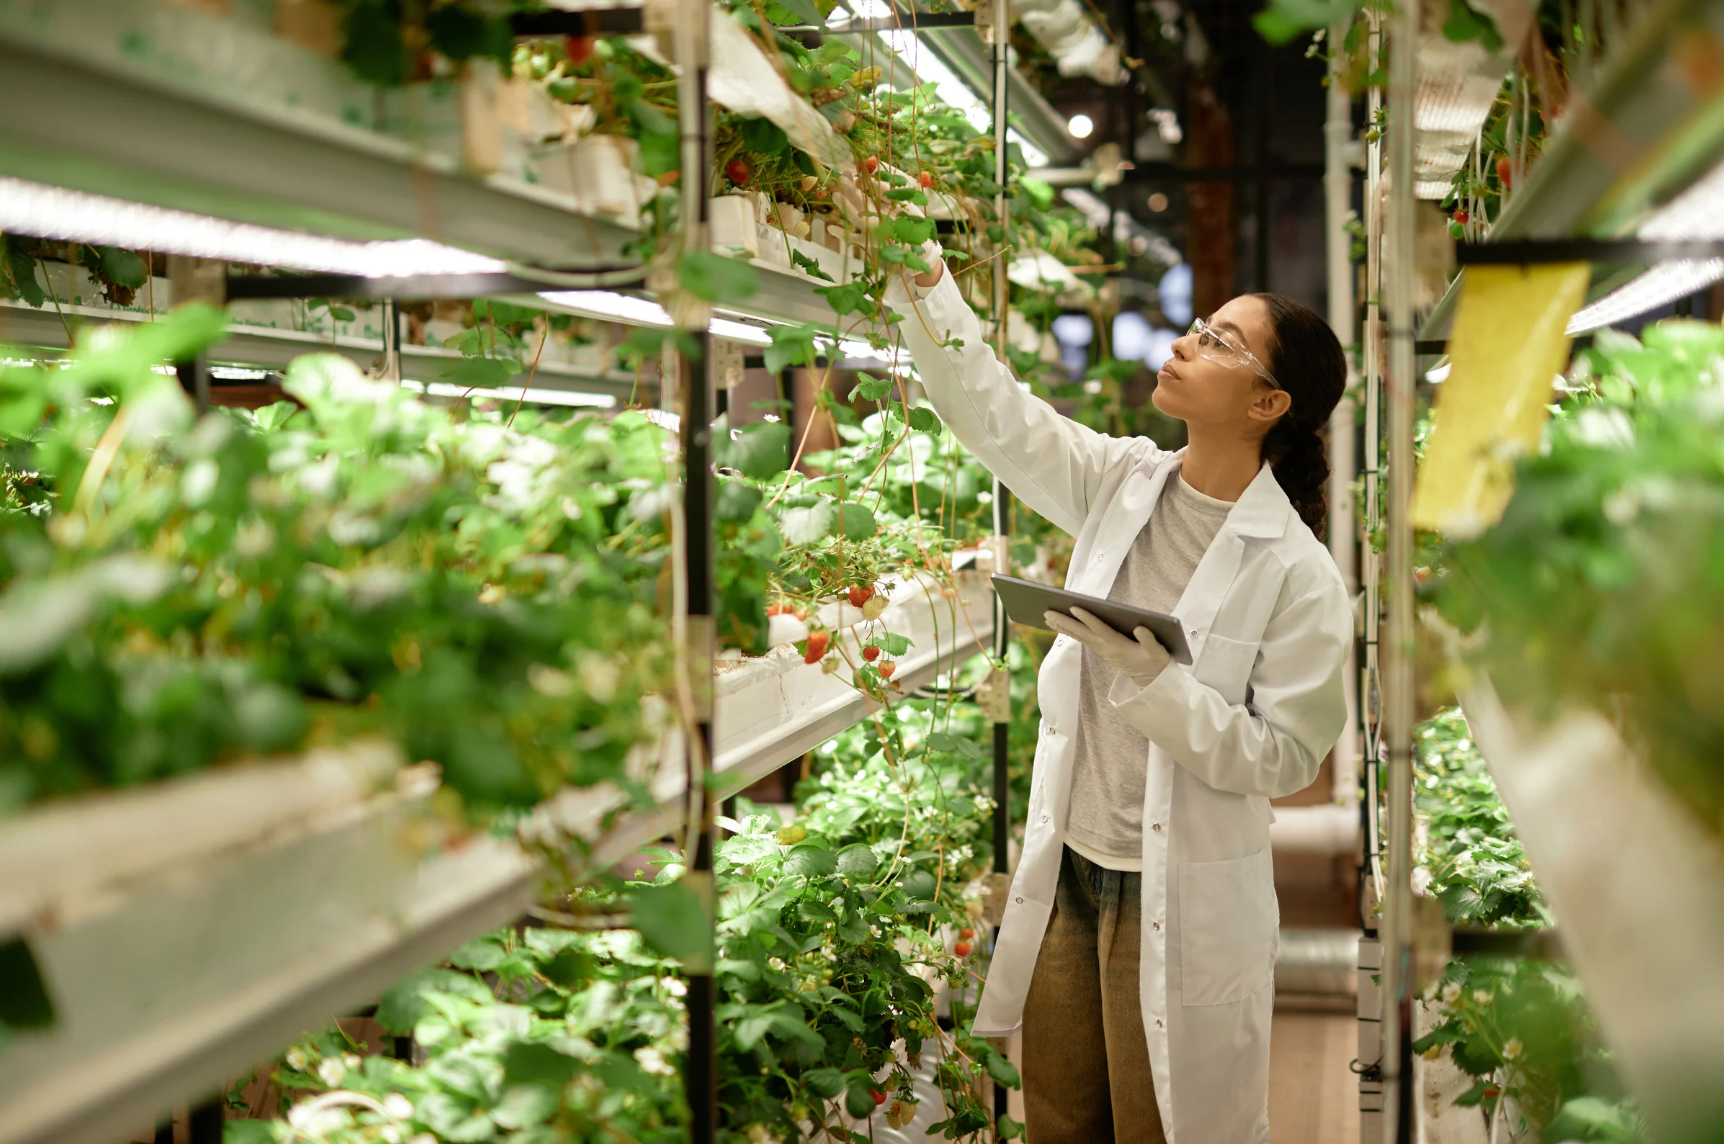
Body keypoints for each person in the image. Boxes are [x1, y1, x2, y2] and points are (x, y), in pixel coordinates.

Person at [886, 249, 1352, 1144]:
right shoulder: (1122, 482)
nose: (1183, 343)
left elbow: (1289, 760)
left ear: (1268, 405)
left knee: (1157, 1126)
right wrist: (925, 274)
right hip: (1073, 867)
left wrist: (1156, 681)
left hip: (1173, 890)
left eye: (1218, 340)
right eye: (1197, 325)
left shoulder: (1297, 571)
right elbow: (991, 413)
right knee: (1059, 1118)